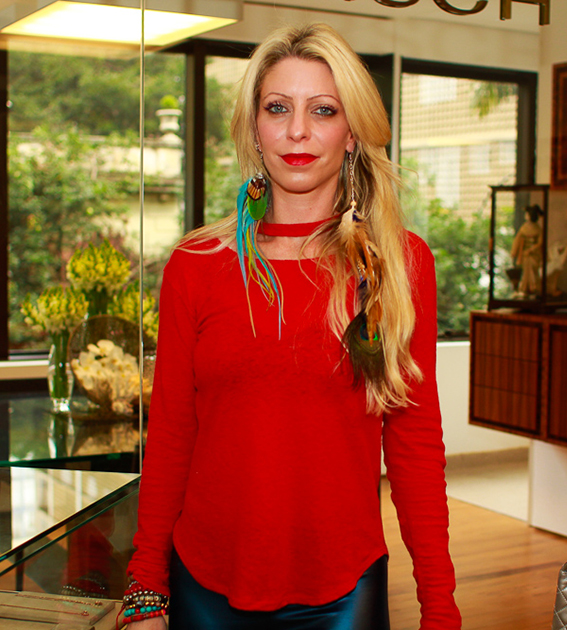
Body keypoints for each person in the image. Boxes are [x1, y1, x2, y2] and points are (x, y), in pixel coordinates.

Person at [122, 23, 461, 630]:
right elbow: (172, 433)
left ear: (351, 132)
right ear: (255, 127)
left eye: (323, 110)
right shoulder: (196, 265)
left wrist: (439, 605)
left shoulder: (399, 263)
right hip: (205, 585)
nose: (297, 130)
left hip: (344, 590)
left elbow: (413, 445)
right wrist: (147, 584)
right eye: (278, 108)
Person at [510, 203, 544, 297]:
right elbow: (517, 240)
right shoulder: (524, 228)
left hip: (534, 254)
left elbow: (540, 242)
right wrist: (514, 251)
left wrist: (532, 249)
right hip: (525, 253)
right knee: (525, 272)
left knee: (533, 271)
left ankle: (535, 288)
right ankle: (524, 289)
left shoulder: (538, 229)